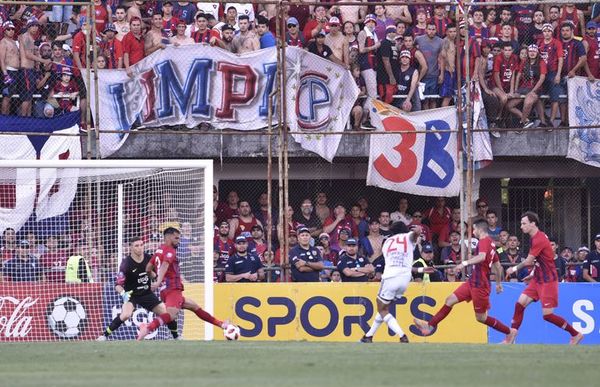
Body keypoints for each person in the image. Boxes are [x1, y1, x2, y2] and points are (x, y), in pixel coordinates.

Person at [414, 219, 510, 339]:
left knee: (481, 318)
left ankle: (509, 332)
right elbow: (497, 264)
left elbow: (482, 257)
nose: (473, 232)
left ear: (480, 229)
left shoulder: (484, 242)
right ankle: (429, 326)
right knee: (449, 300)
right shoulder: (490, 243)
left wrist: (463, 263)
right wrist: (498, 283)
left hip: (480, 284)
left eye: (474, 229)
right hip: (472, 282)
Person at [504, 211, 583, 345]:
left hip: (548, 280)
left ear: (533, 224)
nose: (521, 226)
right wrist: (533, 274)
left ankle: (575, 334)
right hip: (538, 279)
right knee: (519, 304)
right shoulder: (536, 237)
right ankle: (511, 337)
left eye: (524, 223)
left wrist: (514, 268)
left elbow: (529, 261)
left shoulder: (539, 239)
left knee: (548, 315)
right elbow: (542, 260)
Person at [138, 227, 230, 339]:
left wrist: (157, 279)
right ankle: (147, 328)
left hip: (165, 290)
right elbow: (165, 265)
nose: (178, 240)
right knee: (171, 315)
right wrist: (157, 281)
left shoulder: (158, 250)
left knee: (195, 307)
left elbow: (148, 268)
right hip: (172, 288)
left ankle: (222, 324)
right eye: (176, 238)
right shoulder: (170, 250)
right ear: (169, 237)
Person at [360, 223, 431, 343]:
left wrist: (416, 233)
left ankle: (402, 335)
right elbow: (412, 237)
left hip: (390, 277)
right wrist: (417, 232)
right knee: (384, 309)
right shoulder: (407, 237)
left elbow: (394, 261)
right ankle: (368, 336)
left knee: (382, 308)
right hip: (405, 279)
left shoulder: (387, 243)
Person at [98, 237, 179, 340]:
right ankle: (104, 335)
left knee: (168, 314)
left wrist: (158, 281)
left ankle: (177, 337)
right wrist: (124, 293)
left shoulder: (149, 258)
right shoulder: (126, 263)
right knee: (126, 315)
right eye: (136, 246)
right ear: (131, 248)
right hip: (131, 295)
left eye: (141, 245)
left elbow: (154, 274)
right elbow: (118, 285)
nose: (140, 248)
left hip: (147, 294)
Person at [0, 21, 20, 115]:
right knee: (6, 97)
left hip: (16, 72)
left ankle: (7, 117)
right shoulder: (3, 42)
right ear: (4, 31)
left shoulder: (14, 42)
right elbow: (1, 60)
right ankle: (4, 119)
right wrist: (5, 74)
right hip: (9, 71)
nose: (11, 31)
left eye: (12, 29)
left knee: (11, 97)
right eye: (8, 29)